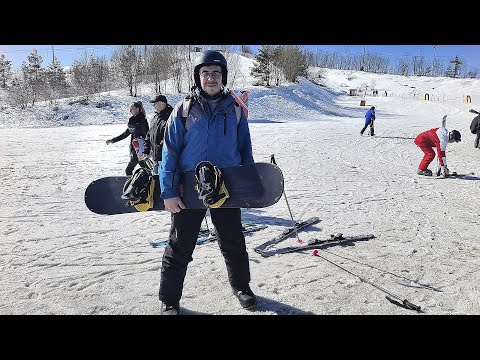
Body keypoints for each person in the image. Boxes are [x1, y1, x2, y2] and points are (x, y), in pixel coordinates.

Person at [158, 50, 255, 315]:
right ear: (198, 77)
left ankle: (242, 287)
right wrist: (167, 191)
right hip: (189, 188)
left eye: (216, 73)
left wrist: (247, 187)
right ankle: (169, 299)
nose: (211, 78)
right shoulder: (183, 109)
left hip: (227, 187)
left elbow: (246, 151)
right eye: (205, 73)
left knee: (233, 241)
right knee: (180, 246)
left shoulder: (235, 109)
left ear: (223, 77)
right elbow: (170, 152)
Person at [106, 101, 149, 176]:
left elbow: (147, 135)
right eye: (130, 109)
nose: (130, 111)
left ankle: (131, 185)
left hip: (141, 149)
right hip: (133, 149)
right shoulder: (132, 120)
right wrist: (113, 140)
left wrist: (147, 148)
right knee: (146, 168)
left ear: (137, 109)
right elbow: (126, 133)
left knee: (128, 170)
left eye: (131, 109)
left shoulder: (143, 120)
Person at [143, 94, 174, 176]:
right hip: (156, 157)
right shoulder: (155, 117)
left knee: (164, 181)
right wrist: (146, 149)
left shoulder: (171, 117)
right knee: (156, 182)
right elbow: (149, 134)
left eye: (155, 103)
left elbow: (169, 137)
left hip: (166, 158)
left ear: (162, 104)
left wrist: (159, 149)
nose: (153, 106)